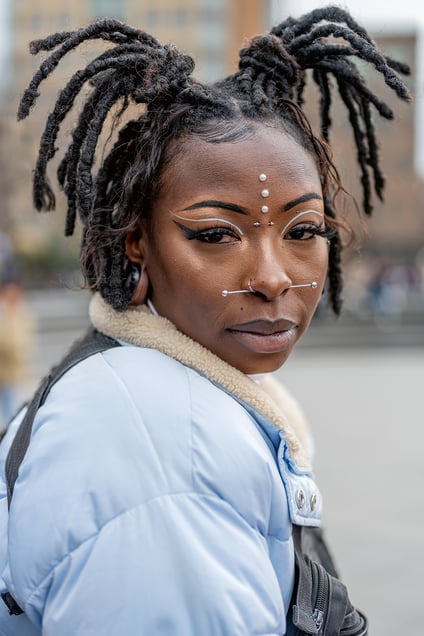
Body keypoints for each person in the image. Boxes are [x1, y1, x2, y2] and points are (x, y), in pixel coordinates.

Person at [0, 6, 410, 635]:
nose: (272, 277)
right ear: (137, 243)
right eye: (216, 234)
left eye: (304, 230)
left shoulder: (152, 386)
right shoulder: (165, 462)